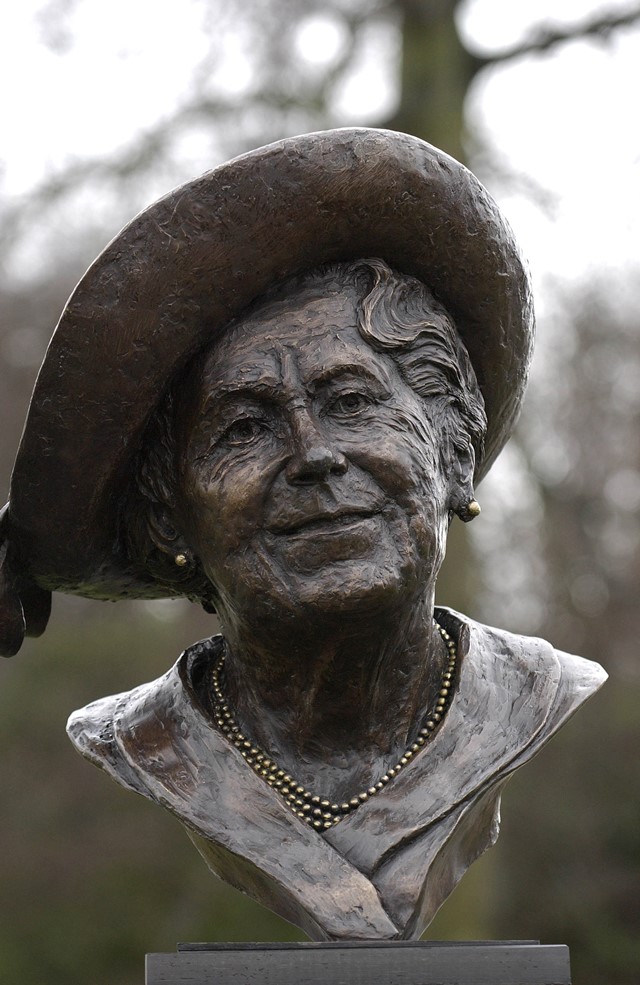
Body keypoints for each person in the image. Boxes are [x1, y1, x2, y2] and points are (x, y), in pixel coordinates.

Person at [0, 130, 606, 941]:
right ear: (171, 517)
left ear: (452, 452)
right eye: (244, 428)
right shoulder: (144, 742)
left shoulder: (537, 695)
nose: (315, 455)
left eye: (353, 401)